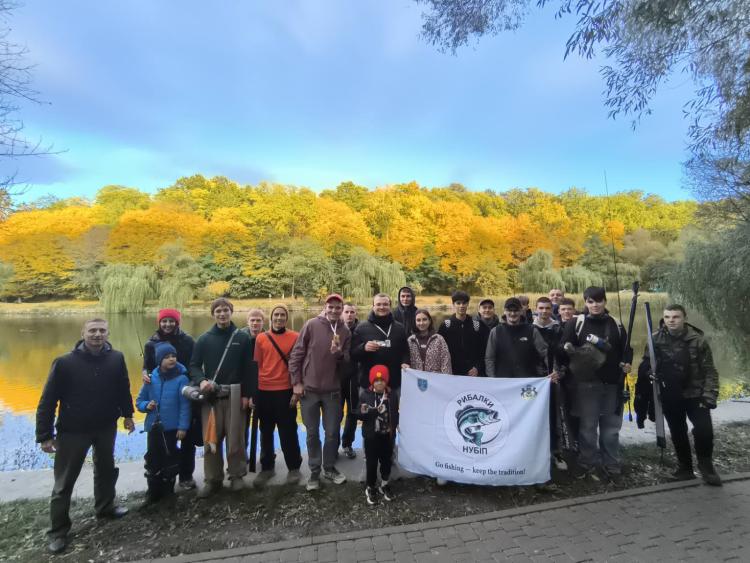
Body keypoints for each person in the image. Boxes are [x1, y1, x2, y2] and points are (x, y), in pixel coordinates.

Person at [35, 318, 134, 554]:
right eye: (92, 330)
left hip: (105, 427)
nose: (97, 334)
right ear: (83, 333)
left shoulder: (116, 358)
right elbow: (48, 400)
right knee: (64, 483)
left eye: (102, 330)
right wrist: (45, 435)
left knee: (106, 470)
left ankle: (105, 507)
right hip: (73, 431)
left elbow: (123, 387)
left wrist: (128, 414)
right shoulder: (64, 363)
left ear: (108, 333)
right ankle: (58, 531)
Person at [634, 304, 721, 486]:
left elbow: (710, 371)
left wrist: (709, 396)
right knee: (677, 431)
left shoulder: (698, 340)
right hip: (670, 393)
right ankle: (685, 468)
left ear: (684, 318)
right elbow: (646, 364)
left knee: (704, 430)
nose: (671, 320)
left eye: (676, 317)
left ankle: (706, 466)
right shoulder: (655, 339)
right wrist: (650, 373)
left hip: (696, 394)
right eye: (667, 317)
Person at [558, 287, 631, 481]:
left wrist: (627, 362)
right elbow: (561, 349)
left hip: (612, 384)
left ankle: (612, 464)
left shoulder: (616, 324)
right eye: (590, 301)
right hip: (586, 385)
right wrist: (567, 348)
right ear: (585, 303)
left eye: (599, 301)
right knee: (588, 428)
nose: (595, 305)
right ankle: (586, 463)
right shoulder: (576, 323)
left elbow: (627, 350)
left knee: (611, 429)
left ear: (605, 301)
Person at [189, 298, 257, 497]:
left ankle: (236, 475)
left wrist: (247, 395)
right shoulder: (204, 339)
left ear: (231, 312)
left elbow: (249, 369)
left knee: (236, 439)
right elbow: (193, 365)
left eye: (225, 310)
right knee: (211, 439)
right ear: (213, 314)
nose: (222, 314)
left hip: (236, 394)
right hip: (211, 398)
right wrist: (201, 380)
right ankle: (213, 479)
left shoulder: (242, 338)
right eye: (218, 311)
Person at [289, 293, 352, 491]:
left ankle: (329, 468)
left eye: (338, 307)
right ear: (325, 307)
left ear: (342, 309)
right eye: (330, 306)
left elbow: (348, 362)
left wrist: (339, 354)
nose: (334, 310)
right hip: (309, 390)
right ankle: (314, 471)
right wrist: (296, 382)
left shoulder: (345, 331)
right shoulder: (311, 325)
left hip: (332, 391)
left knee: (332, 432)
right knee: (312, 433)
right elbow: (296, 355)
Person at [142, 308, 200, 490]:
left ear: (177, 322)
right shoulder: (151, 343)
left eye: (171, 321)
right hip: (162, 396)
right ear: (159, 322)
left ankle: (186, 476)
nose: (167, 324)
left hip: (184, 390)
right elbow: (147, 366)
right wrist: (145, 373)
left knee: (187, 438)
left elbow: (195, 365)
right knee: (162, 442)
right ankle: (162, 477)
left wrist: (189, 385)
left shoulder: (188, 340)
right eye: (164, 321)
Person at [252, 304, 302, 487]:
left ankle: (294, 467)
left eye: (282, 315)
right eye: (276, 315)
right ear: (271, 317)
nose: (279, 318)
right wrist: (253, 393)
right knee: (265, 430)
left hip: (285, 390)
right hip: (264, 390)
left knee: (288, 430)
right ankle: (267, 467)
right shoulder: (261, 338)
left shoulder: (295, 337)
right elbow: (257, 365)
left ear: (286, 318)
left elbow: (299, 365)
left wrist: (296, 390)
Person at [136, 343, 191, 503]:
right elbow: (139, 401)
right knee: (152, 458)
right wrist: (146, 406)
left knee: (170, 459)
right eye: (167, 357)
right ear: (159, 360)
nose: (171, 359)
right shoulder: (150, 379)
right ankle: (153, 492)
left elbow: (185, 406)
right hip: (154, 428)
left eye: (173, 356)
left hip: (172, 428)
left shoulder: (182, 379)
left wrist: (183, 427)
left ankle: (168, 492)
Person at [533, 297, 568, 470]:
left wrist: (558, 372)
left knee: (555, 416)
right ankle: (536, 452)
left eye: (547, 308)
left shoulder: (559, 329)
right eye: (541, 308)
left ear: (551, 309)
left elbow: (565, 356)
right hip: (535, 380)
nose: (544, 311)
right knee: (535, 417)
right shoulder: (529, 329)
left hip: (553, 378)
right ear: (536, 309)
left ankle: (557, 452)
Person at [357, 365, 397, 505]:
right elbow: (359, 414)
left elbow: (395, 413)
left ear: (386, 381)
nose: (379, 383)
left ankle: (384, 484)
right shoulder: (365, 395)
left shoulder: (392, 395)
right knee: (372, 463)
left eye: (382, 380)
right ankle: (370, 486)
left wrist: (395, 426)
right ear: (372, 382)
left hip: (386, 436)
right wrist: (366, 411)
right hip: (371, 437)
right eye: (376, 380)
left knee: (386, 461)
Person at [485, 298, 550, 379]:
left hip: (528, 380)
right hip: (502, 380)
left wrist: (552, 371)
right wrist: (492, 378)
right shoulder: (495, 331)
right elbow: (489, 358)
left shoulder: (532, 330)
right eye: (509, 310)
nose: (513, 313)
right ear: (504, 311)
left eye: (516, 310)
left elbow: (545, 353)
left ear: (521, 311)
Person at [438, 290, 484, 377]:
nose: (461, 306)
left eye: (464, 303)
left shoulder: (476, 325)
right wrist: (446, 369)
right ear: (453, 304)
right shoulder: (446, 325)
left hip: (472, 372)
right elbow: (440, 351)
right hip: (451, 372)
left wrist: (477, 368)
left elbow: (482, 350)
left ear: (468, 304)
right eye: (458, 303)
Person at [339, 302, 360, 459]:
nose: (349, 315)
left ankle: (347, 444)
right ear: (342, 313)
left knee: (353, 413)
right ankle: (332, 446)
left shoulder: (362, 330)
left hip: (355, 378)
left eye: (352, 312)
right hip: (337, 378)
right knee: (335, 413)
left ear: (356, 314)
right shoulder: (335, 329)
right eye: (346, 312)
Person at [406, 309, 452, 374]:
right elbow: (406, 362)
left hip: (435, 379)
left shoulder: (439, 339)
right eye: (418, 320)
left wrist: (446, 378)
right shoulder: (410, 341)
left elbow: (446, 362)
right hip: (417, 379)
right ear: (415, 322)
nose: (421, 323)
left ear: (429, 321)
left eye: (424, 319)